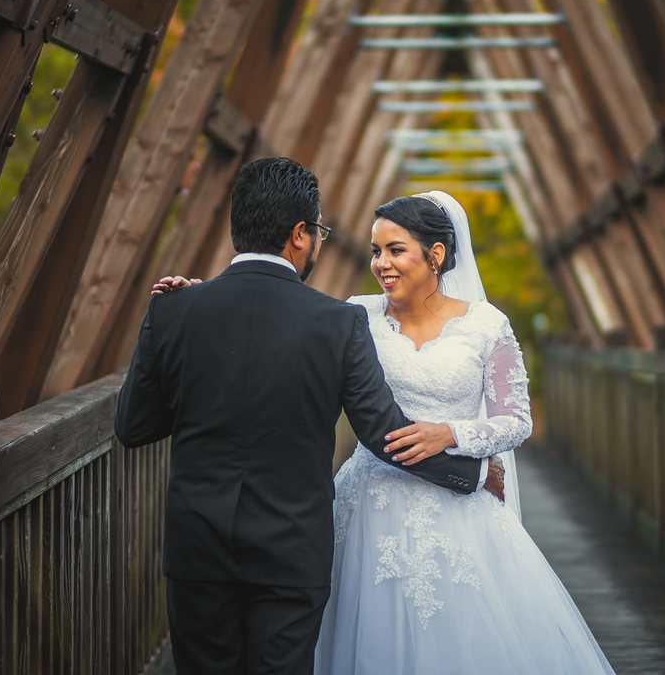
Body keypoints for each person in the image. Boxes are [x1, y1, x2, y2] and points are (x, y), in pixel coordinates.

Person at [157, 189, 615, 673]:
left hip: (459, 515)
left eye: (396, 250)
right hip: (368, 505)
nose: (381, 263)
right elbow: (284, 322)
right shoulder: (357, 314)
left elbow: (517, 420)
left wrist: (452, 435)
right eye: (376, 251)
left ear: (436, 255)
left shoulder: (485, 324)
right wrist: (205, 297)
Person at [115, 158, 497, 675]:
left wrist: (164, 323)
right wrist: (469, 472)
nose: (319, 242)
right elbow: (385, 433)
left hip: (197, 547)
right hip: (290, 550)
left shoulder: (174, 309)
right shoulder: (338, 323)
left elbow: (133, 427)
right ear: (299, 235)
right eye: (318, 232)